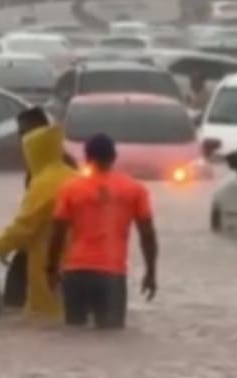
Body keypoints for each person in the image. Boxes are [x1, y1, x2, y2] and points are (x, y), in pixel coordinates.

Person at [46, 133, 158, 330]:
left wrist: (51, 270)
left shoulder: (71, 189)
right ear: (114, 157)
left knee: (74, 337)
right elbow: (147, 235)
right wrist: (150, 272)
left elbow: (57, 234)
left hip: (76, 273)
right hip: (111, 275)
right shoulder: (134, 189)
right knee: (110, 339)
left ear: (87, 158)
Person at [0, 122, 76, 320]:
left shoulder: (43, 185)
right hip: (81, 269)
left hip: (48, 269)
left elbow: (22, 229)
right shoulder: (76, 177)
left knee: (45, 323)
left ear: (34, 153)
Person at [3, 107, 77, 308]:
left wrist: (5, 243)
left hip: (57, 249)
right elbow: (32, 215)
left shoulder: (60, 165)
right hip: (36, 243)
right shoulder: (35, 166)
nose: (20, 137)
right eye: (19, 132)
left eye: (24, 131)